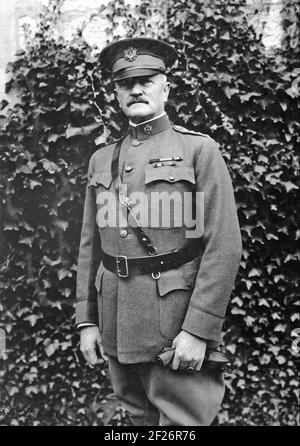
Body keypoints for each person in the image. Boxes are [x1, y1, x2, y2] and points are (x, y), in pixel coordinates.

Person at [75, 37, 242, 426]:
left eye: (147, 80)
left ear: (166, 87)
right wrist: (87, 321)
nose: (136, 89)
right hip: (117, 325)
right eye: (125, 83)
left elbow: (224, 245)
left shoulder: (199, 151)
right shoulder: (102, 158)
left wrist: (199, 330)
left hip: (174, 325)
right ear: (115, 93)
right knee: (138, 423)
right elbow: (89, 247)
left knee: (184, 425)